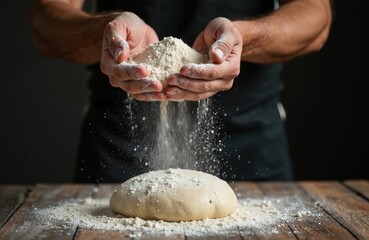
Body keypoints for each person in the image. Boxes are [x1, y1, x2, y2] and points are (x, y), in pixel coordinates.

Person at [29, 0, 332, 183]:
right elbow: (45, 22)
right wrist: (105, 32)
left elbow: (316, 17)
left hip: (251, 143)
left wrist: (243, 38)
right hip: (119, 147)